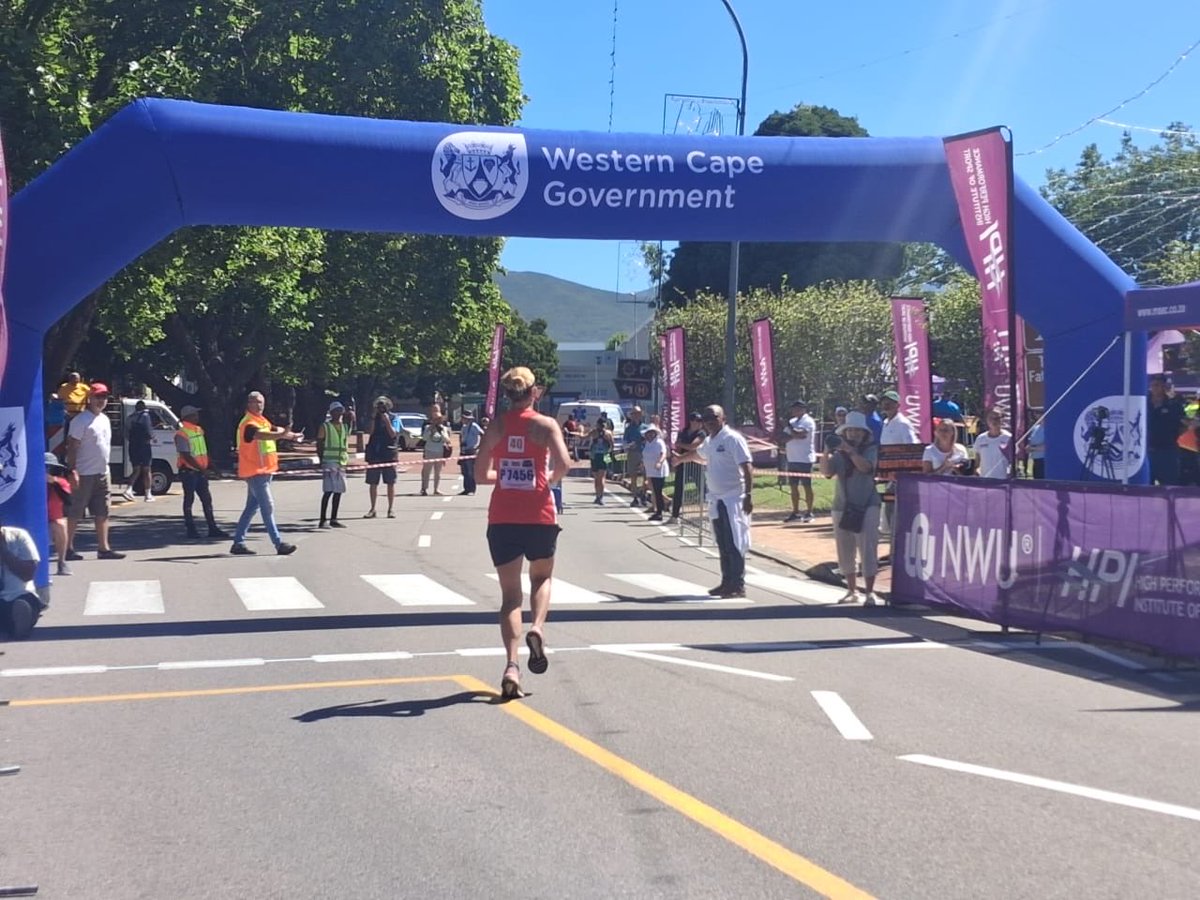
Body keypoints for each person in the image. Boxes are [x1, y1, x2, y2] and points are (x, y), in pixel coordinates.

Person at [473, 367, 571, 699]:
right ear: (535, 393)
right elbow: (565, 464)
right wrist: (547, 480)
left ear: (507, 394)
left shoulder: (497, 425)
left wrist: (501, 475)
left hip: (503, 518)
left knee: (510, 596)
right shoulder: (545, 426)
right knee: (541, 579)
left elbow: (478, 473)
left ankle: (512, 665)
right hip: (539, 514)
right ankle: (537, 629)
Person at [675, 405, 753, 598]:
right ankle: (726, 581)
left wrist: (749, 495)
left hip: (733, 499)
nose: (710, 421)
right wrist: (680, 460)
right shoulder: (710, 441)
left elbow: (747, 466)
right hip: (717, 500)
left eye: (714, 417)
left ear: (723, 418)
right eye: (706, 417)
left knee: (735, 542)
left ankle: (738, 584)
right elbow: (698, 455)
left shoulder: (732, 439)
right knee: (722, 543)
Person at [821, 410, 881, 605]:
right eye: (850, 431)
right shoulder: (839, 453)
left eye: (857, 431)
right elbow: (826, 472)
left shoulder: (871, 449)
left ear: (864, 434)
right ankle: (851, 590)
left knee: (867, 547)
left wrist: (851, 451)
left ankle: (870, 592)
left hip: (867, 503)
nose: (854, 434)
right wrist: (827, 451)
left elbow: (866, 468)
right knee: (844, 548)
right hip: (842, 505)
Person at [231, 391, 300, 556]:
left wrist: (293, 436)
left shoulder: (261, 421)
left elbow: (276, 429)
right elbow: (262, 435)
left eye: (262, 402)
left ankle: (238, 543)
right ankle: (278, 543)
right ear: (249, 404)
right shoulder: (248, 423)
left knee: (251, 508)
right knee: (267, 506)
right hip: (255, 472)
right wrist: (281, 435)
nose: (260, 405)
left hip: (264, 472)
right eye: (256, 402)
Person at [65, 382, 125, 561]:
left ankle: (103, 548)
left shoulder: (105, 419)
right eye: (98, 396)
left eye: (104, 397)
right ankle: (67, 547)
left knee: (103, 511)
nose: (101, 400)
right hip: (83, 472)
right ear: (89, 398)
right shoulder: (80, 421)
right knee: (75, 511)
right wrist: (72, 470)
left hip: (102, 472)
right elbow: (72, 446)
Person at [175, 405, 228, 539]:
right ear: (188, 417)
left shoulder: (199, 430)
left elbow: (203, 451)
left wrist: (212, 467)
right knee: (189, 500)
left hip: (199, 471)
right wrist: (203, 469)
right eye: (195, 414)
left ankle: (212, 528)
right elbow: (186, 455)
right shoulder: (181, 433)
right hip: (189, 472)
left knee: (206, 500)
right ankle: (191, 529)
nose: (197, 416)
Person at [0, 522, 42, 640]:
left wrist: (4, 552)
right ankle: (10, 626)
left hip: (19, 594)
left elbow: (28, 574)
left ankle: (20, 625)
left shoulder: (19, 536)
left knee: (24, 605)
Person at [1147, 375, 1186, 486]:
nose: (1156, 388)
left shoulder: (1174, 405)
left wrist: (1171, 436)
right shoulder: (1144, 404)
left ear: (1164, 387)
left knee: (1170, 484)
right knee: (1145, 486)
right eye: (1154, 385)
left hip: (1167, 451)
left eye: (1159, 385)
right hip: (1147, 451)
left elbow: (1182, 426)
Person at [317, 401, 350, 528]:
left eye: (340, 410)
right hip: (329, 461)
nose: (339, 413)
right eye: (336, 410)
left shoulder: (344, 426)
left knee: (339, 490)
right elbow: (319, 444)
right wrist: (321, 460)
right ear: (331, 413)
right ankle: (323, 519)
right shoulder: (325, 426)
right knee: (328, 490)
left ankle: (334, 518)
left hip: (341, 461)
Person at [782, 399, 816, 523]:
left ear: (804, 409)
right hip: (792, 458)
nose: (794, 411)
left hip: (804, 458)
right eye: (793, 408)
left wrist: (791, 430)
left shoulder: (808, 421)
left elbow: (802, 435)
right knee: (793, 486)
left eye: (797, 408)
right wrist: (792, 433)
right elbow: (784, 438)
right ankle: (795, 512)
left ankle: (809, 511)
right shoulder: (792, 422)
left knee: (807, 486)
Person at [364, 396, 399, 517]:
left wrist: (387, 421)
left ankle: (390, 509)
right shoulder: (374, 418)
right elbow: (370, 432)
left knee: (390, 482)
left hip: (389, 453)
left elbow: (394, 434)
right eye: (379, 407)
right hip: (374, 453)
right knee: (373, 482)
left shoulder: (394, 417)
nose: (381, 409)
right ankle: (372, 509)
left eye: (383, 406)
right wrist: (374, 418)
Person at [670, 411, 706, 521]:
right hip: (682, 463)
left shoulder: (701, 433)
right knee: (678, 489)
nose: (700, 423)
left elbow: (693, 446)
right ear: (691, 421)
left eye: (701, 421)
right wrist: (677, 454)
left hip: (696, 463)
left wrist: (681, 445)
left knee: (703, 487)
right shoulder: (683, 432)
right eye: (697, 421)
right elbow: (677, 447)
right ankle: (675, 515)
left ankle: (710, 513)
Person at [123, 399, 155, 502]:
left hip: (133, 446)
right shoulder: (146, 416)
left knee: (136, 469)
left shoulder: (130, 418)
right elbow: (149, 431)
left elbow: (126, 434)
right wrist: (152, 438)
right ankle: (148, 494)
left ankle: (128, 489)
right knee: (147, 470)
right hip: (144, 446)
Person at [45, 452, 72, 576]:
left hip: (53, 519)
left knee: (61, 525)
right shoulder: (31, 482)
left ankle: (62, 562)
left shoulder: (61, 482)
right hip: (36, 519)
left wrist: (54, 483)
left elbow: (68, 500)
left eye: (50, 468)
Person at [421, 403, 452, 496]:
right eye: (435, 420)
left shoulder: (444, 429)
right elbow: (424, 438)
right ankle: (424, 489)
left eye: (439, 420)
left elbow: (447, 440)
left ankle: (436, 489)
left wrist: (441, 432)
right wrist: (431, 430)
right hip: (429, 451)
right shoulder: (428, 428)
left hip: (439, 452)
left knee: (437, 472)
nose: (437, 421)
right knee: (426, 471)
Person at [972, 409, 1013, 479]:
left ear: (1002, 420)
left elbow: (1014, 461)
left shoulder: (1008, 438)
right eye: (991, 418)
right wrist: (976, 470)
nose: (994, 421)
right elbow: (977, 461)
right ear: (987, 420)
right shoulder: (980, 439)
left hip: (1003, 481)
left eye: (997, 418)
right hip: (985, 480)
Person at [642, 423, 670, 521]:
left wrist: (659, 462)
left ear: (655, 434)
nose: (649, 435)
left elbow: (663, 454)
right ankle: (659, 511)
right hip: (650, 471)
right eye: (648, 433)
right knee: (655, 491)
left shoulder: (659, 442)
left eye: (651, 433)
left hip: (658, 471)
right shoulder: (647, 443)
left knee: (658, 492)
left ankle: (659, 512)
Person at [624, 406, 648, 506]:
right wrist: (629, 445)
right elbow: (625, 442)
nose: (636, 416)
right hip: (633, 453)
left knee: (646, 476)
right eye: (634, 414)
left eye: (637, 413)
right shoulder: (629, 428)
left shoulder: (646, 427)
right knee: (633, 476)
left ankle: (643, 493)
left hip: (645, 453)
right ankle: (635, 497)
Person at [588, 418, 614, 504]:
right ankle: (599, 496)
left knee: (597, 478)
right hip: (604, 455)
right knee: (601, 477)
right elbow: (612, 445)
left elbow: (584, 437)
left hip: (595, 455)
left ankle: (598, 496)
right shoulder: (609, 433)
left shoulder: (594, 432)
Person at [458, 409, 484, 495]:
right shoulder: (464, 427)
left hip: (471, 451)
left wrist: (478, 446)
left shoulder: (474, 426)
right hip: (464, 451)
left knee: (470, 471)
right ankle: (466, 489)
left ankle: (472, 489)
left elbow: (482, 434)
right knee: (464, 471)